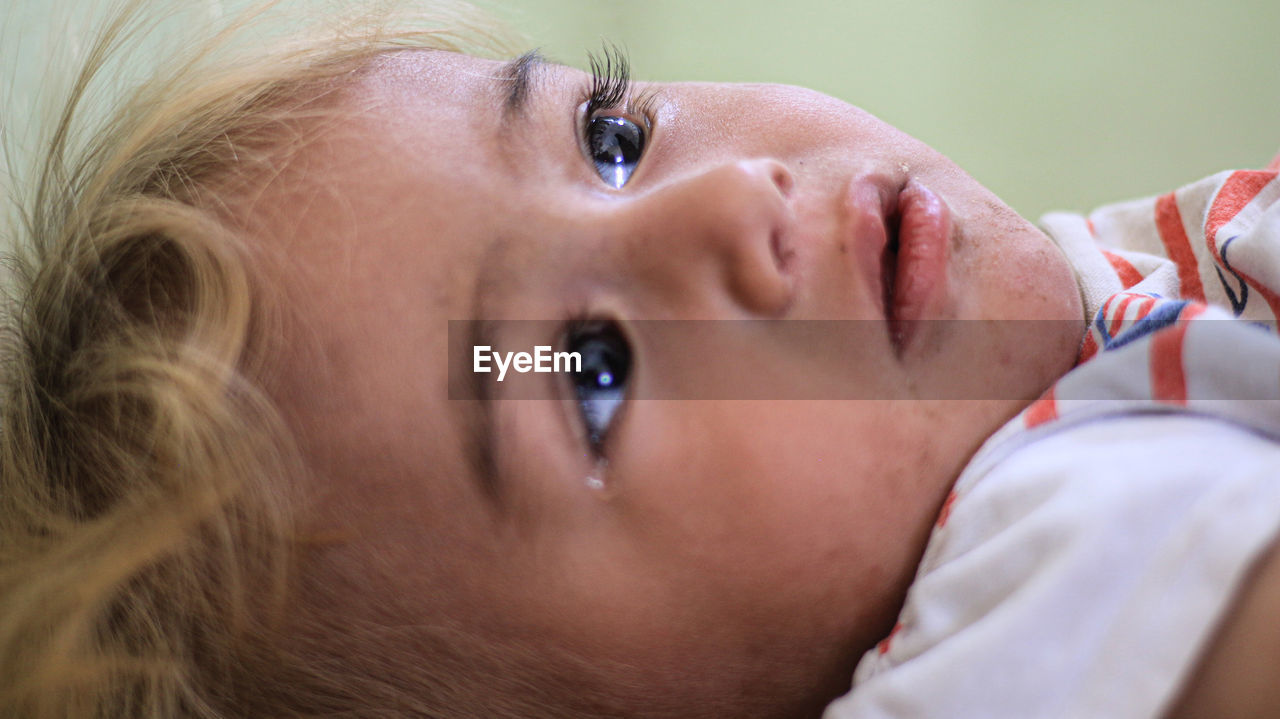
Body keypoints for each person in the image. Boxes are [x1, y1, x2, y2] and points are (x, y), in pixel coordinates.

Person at [0, 1, 1276, 718]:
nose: (727, 205)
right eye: (591, 374)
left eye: (610, 135)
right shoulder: (1051, 601)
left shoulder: (1088, 335)